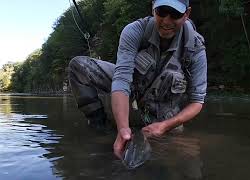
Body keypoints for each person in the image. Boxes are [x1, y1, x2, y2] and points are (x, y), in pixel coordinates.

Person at [68, 0, 207, 159]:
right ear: (153, 8)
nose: (167, 21)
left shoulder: (196, 48)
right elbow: (121, 78)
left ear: (187, 14)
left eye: (175, 14)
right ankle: (100, 127)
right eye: (162, 12)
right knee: (78, 67)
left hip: (163, 113)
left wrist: (165, 126)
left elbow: (197, 102)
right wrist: (122, 129)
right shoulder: (135, 30)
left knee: (180, 154)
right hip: (135, 89)